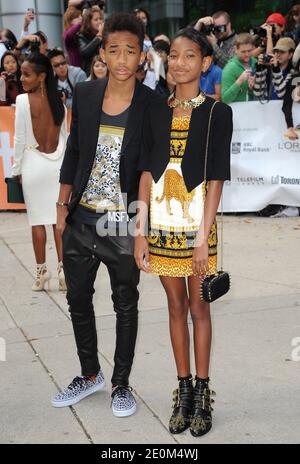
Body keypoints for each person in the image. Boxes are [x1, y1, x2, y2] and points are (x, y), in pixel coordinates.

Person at [52, 12, 156, 418]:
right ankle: (90, 373)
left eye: (130, 50)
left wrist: (141, 229)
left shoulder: (151, 103)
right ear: (104, 52)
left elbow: (149, 169)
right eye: (114, 50)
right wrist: (62, 207)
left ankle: (121, 384)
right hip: (81, 217)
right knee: (78, 299)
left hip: (122, 221)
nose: (122, 58)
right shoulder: (88, 94)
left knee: (125, 302)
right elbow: (74, 151)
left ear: (141, 55)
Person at [134, 28, 232, 437]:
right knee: (174, 308)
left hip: (197, 228)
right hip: (160, 225)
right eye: (173, 55)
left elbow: (215, 179)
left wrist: (202, 238)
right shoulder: (154, 109)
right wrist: (139, 230)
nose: (179, 63)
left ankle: (204, 391)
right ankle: (184, 389)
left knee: (199, 308)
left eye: (189, 56)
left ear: (205, 63)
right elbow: (144, 171)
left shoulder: (216, 112)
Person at [11, 53, 67, 291]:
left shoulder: (23, 101)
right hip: (57, 167)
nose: (21, 79)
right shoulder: (60, 104)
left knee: (37, 223)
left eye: (26, 74)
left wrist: (16, 170)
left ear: (42, 76)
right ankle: (64, 272)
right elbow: (65, 139)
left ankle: (41, 273)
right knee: (58, 223)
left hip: (33, 166)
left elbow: (20, 138)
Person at [253, 37, 295, 101]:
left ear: (290, 55)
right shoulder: (269, 69)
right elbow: (258, 93)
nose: (278, 55)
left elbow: (281, 95)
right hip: (268, 109)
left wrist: (276, 70)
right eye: (276, 51)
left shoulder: (293, 73)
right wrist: (260, 69)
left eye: (282, 52)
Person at [221, 33, 256, 103]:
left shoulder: (255, 63)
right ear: (235, 49)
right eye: (243, 52)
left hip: (253, 110)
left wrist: (255, 85)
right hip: (236, 112)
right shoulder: (230, 68)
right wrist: (240, 80)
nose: (247, 54)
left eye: (249, 51)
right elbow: (224, 99)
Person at [77, 6, 104, 75]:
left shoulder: (106, 33)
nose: (99, 22)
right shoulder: (81, 35)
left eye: (100, 19)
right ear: (89, 22)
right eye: (96, 20)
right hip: (90, 73)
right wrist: (98, 37)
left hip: (105, 71)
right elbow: (84, 52)